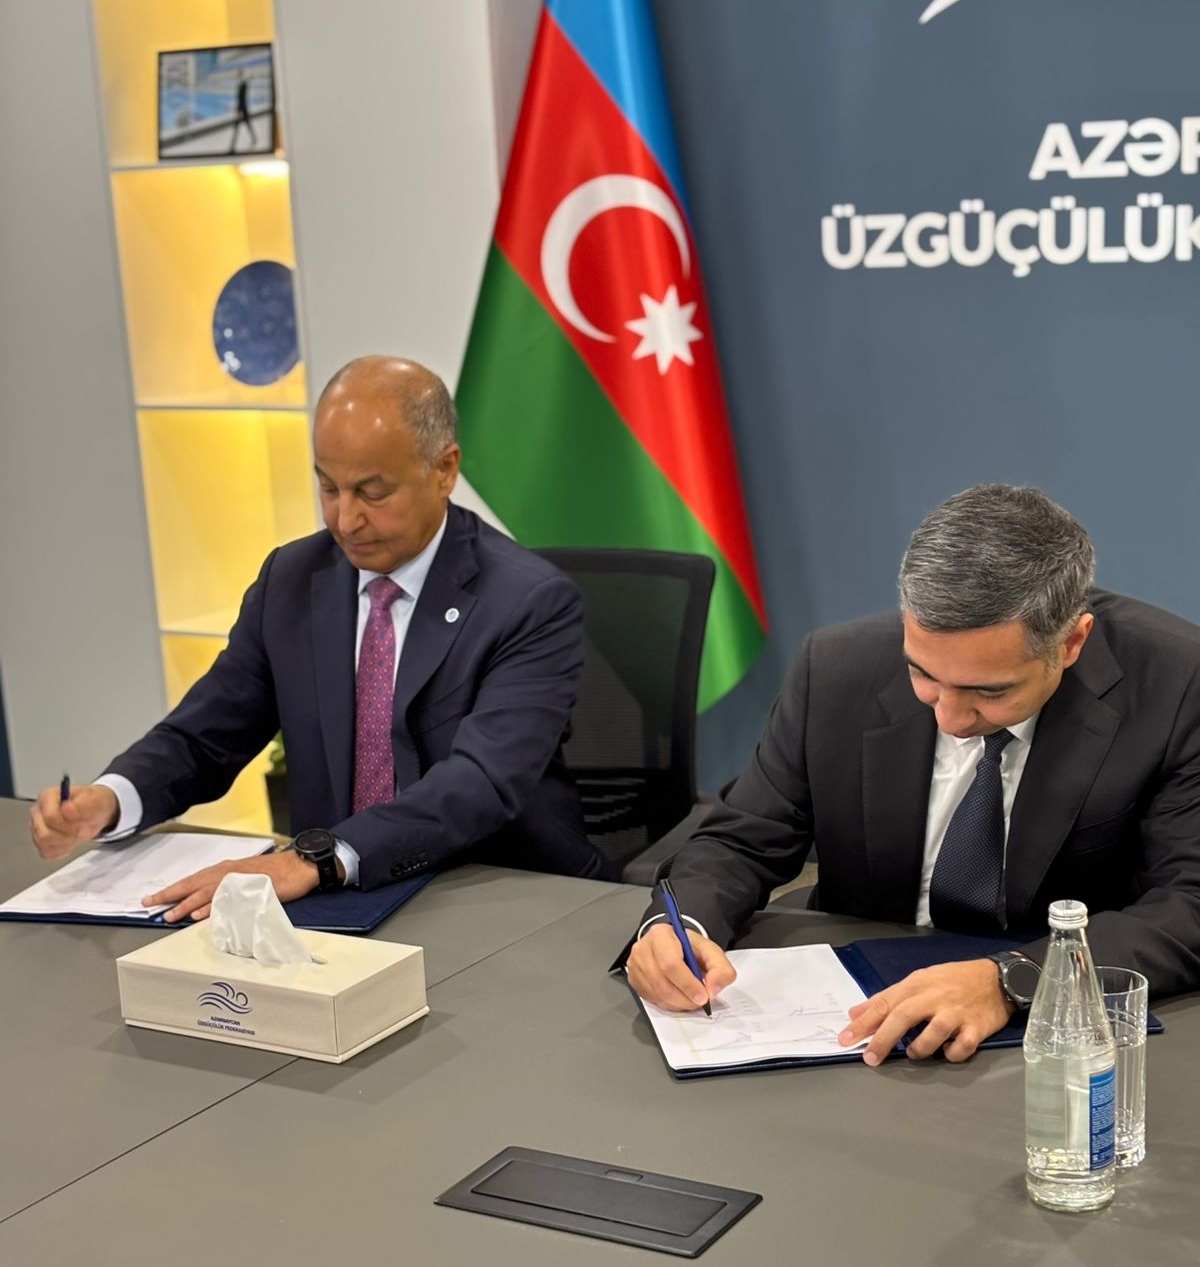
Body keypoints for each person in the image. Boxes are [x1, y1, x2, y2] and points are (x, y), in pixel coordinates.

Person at [626, 483, 1200, 1065]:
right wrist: (681, 926)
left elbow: (1190, 902)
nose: (949, 719)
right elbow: (741, 838)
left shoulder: (1177, 685)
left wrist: (1015, 979)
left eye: (989, 692)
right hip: (855, 1002)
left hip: (1063, 1034)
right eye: (923, 675)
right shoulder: (837, 669)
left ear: (1071, 642)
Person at [30, 357, 610, 916]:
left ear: (444, 469)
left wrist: (319, 859)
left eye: (372, 493)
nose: (345, 520)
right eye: (329, 488)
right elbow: (207, 734)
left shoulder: (529, 602)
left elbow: (480, 782)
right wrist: (113, 798)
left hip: (494, 894)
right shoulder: (291, 579)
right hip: (335, 899)